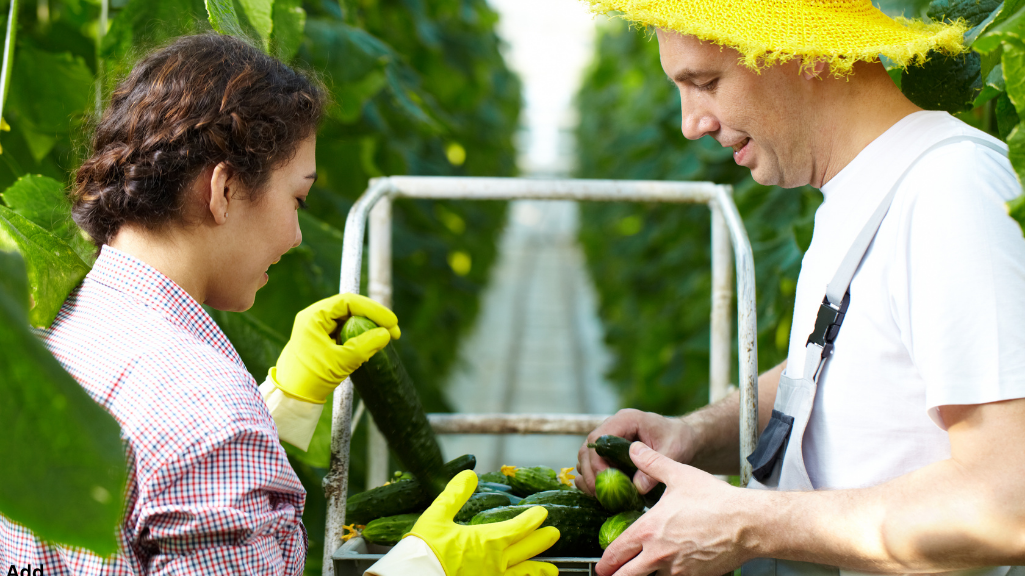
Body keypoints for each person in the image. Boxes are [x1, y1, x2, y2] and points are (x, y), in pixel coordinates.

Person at [0, 33, 557, 575]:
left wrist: (279, 404)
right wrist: (419, 570)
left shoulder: (48, 339)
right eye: (298, 198)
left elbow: (148, 474)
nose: (295, 236)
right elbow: (196, 439)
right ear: (222, 190)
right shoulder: (211, 415)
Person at [575, 2, 1025, 576]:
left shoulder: (951, 193)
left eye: (706, 83)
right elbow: (843, 369)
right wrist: (693, 434)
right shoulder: (869, 186)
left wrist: (746, 523)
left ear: (802, 51)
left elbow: (1010, 501)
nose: (692, 123)